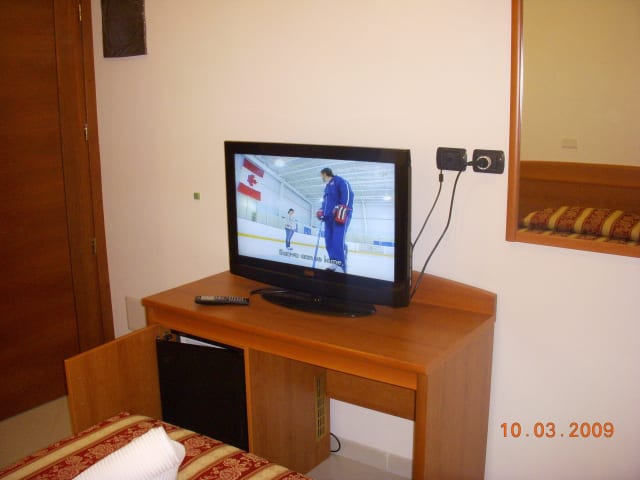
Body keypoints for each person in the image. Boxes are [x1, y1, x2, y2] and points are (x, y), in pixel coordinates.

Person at [316, 167, 354, 273]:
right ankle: (334, 262)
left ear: (325, 173)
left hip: (340, 214)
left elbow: (348, 194)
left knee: (337, 239)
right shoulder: (327, 187)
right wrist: (321, 211)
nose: (321, 177)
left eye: (321, 175)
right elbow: (325, 202)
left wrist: (342, 207)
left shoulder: (339, 181)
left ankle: (341, 266)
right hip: (328, 217)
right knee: (328, 240)